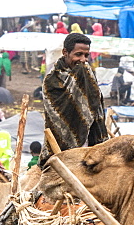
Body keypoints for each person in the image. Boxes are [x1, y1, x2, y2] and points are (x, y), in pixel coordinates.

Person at [40, 33, 107, 166]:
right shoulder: (52, 80)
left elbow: (95, 104)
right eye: (78, 54)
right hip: (61, 148)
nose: (83, 59)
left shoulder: (87, 72)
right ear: (65, 52)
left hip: (90, 144)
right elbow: (57, 116)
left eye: (86, 55)